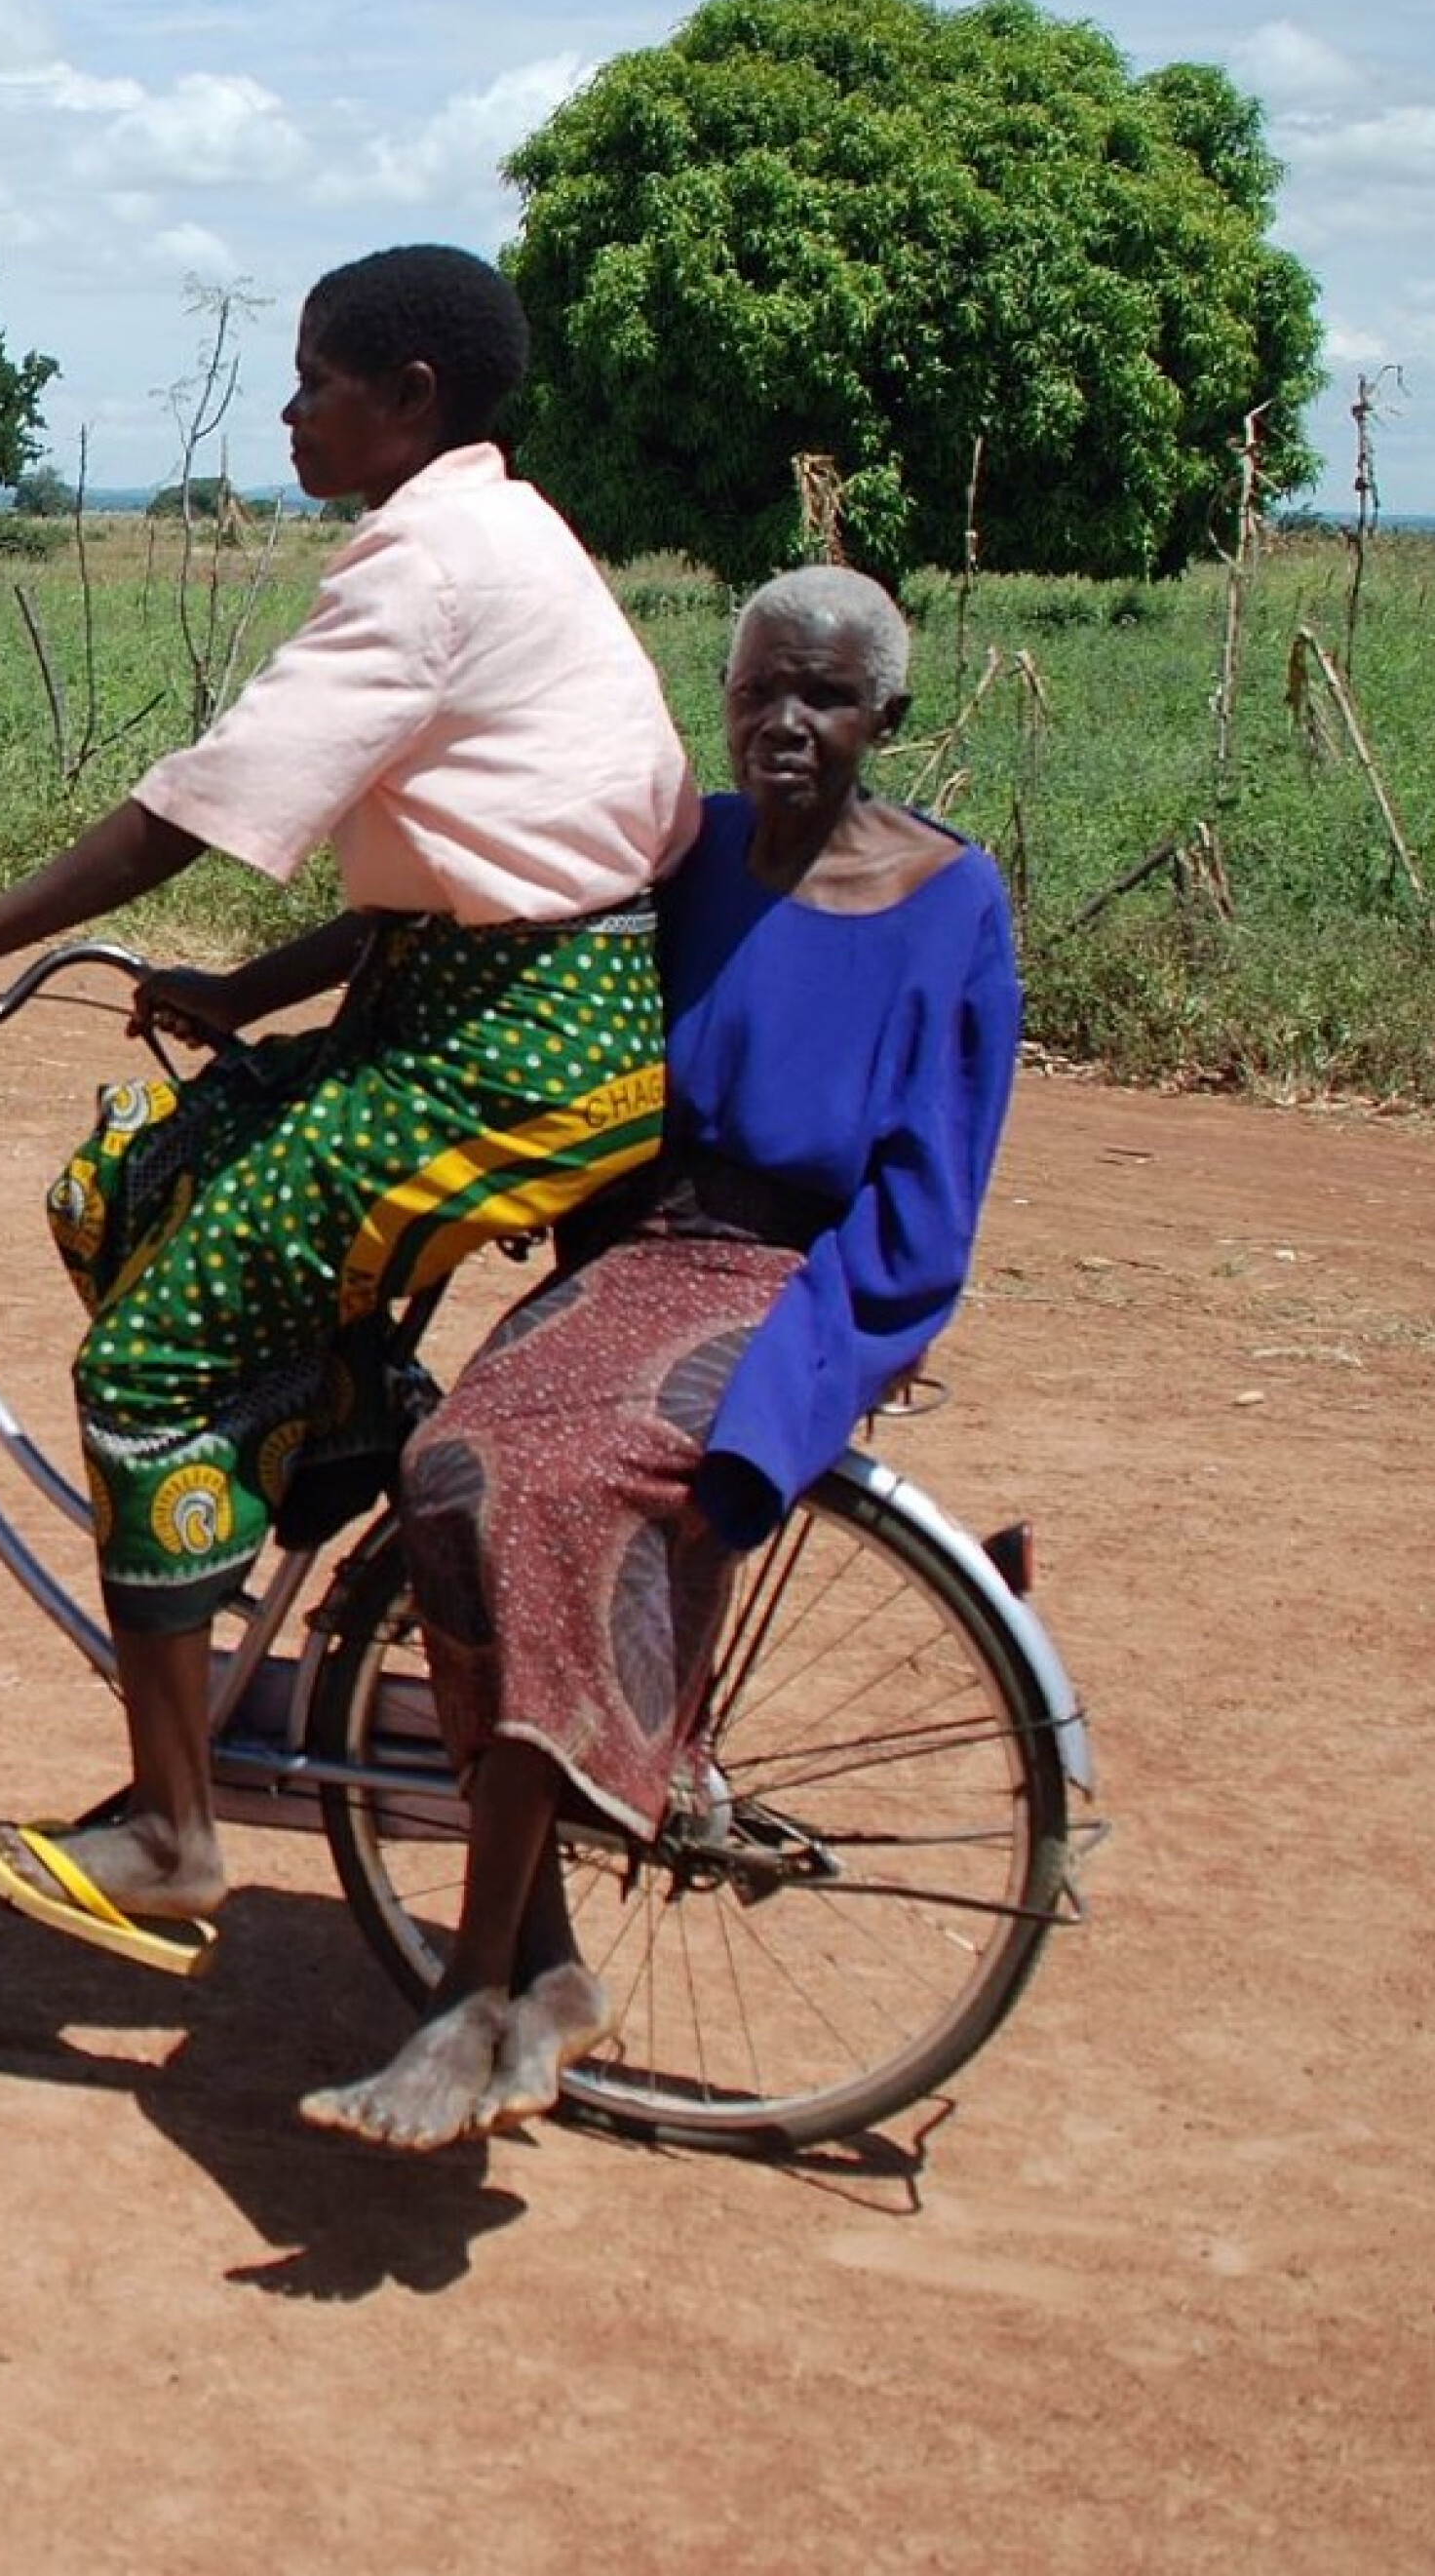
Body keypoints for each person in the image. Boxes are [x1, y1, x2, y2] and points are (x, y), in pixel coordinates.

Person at [0, 244, 697, 1976]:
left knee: (143, 1365)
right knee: (143, 1184)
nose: (290, 409)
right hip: (490, 1000)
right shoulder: (503, 530)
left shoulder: (426, 561)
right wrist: (247, 999)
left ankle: (168, 1828)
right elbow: (472, 852)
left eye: (316, 380)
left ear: (411, 398)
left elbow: (193, 812)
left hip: (507, 1047)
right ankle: (332, 1423)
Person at [300, 563, 1022, 2148]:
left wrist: (814, 1375)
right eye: (760, 685)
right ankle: (547, 1959)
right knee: (445, 1466)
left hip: (785, 1284)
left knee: (554, 1482)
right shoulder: (683, 853)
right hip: (624, 1258)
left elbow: (927, 1205)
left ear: (886, 715)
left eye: (824, 696)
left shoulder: (946, 900)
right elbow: (490, 953)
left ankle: (473, 1988)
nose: (784, 721)